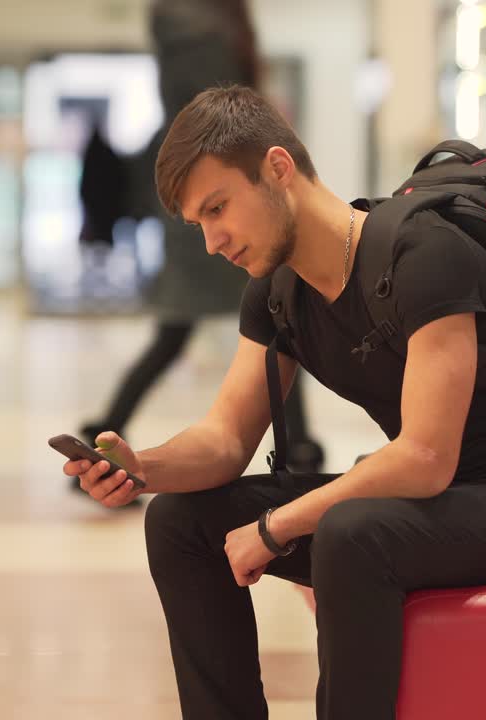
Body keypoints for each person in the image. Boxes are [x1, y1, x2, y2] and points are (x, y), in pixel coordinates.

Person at [61, 86, 486, 719]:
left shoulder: (422, 254)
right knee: (179, 523)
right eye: (199, 223)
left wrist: (277, 526)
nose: (213, 241)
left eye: (218, 208)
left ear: (277, 169)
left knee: (352, 531)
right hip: (440, 501)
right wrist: (142, 468)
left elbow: (424, 457)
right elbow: (227, 439)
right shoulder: (277, 293)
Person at [74, 0, 323, 490]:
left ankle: (108, 431)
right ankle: (299, 449)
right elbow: (212, 126)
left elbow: (209, 124)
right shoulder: (202, 25)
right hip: (223, 201)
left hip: (218, 198)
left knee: (258, 325)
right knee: (271, 323)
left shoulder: (194, 23)